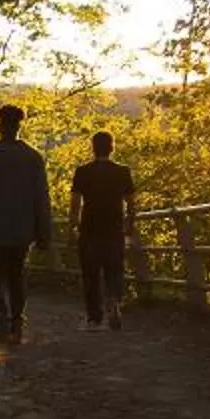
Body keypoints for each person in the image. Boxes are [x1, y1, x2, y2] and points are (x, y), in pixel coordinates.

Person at [0, 103, 52, 345]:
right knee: (17, 276)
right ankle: (17, 322)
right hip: (23, 230)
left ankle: (0, 315)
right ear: (19, 125)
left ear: (0, 124)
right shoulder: (34, 158)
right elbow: (41, 198)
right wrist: (44, 231)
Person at [68, 129, 138, 329]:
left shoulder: (82, 171)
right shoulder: (122, 171)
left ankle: (94, 317)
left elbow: (75, 203)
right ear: (111, 148)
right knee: (114, 269)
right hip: (114, 228)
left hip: (89, 228)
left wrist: (72, 227)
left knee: (90, 273)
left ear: (93, 148)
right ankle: (114, 300)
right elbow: (131, 203)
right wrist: (130, 225)